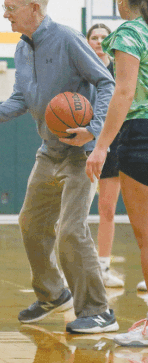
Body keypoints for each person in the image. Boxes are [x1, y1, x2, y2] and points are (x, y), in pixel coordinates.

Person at [0, 0, 118, 333]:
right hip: (48, 153)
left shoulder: (69, 39)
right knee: (31, 223)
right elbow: (21, 99)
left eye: (10, 8)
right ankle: (53, 294)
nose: (5, 14)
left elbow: (107, 83)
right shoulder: (21, 49)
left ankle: (99, 311)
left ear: (34, 10)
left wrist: (95, 128)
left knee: (71, 232)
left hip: (79, 153)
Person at [86, 0, 148, 346]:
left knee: (146, 238)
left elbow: (124, 93)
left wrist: (102, 144)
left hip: (140, 133)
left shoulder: (130, 32)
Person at [86, 24, 124, 288]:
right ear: (87, 41)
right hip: (84, 143)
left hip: (114, 144)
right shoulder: (80, 68)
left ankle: (103, 267)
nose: (99, 41)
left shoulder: (121, 69)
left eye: (103, 37)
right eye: (94, 37)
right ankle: (73, 267)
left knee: (107, 209)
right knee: (73, 210)